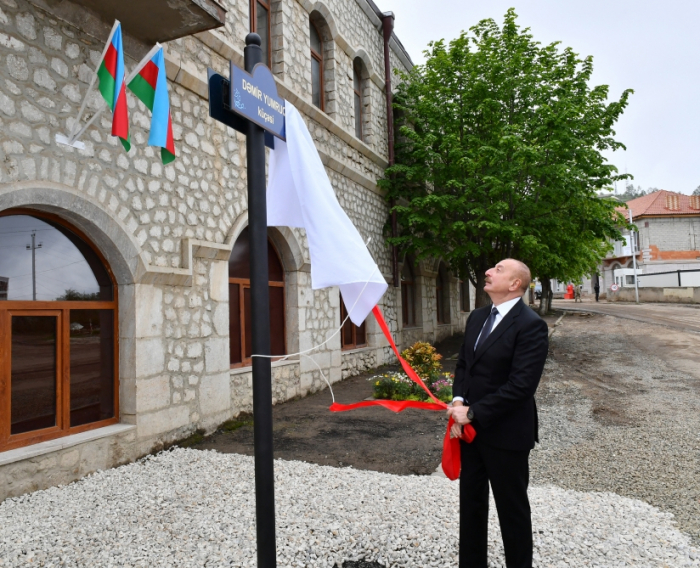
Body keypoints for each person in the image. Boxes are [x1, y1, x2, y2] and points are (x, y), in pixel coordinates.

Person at [447, 259, 548, 568]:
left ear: (515, 284)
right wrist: (459, 401)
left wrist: (473, 413)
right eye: (490, 268)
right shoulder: (477, 317)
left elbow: (521, 386)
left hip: (506, 434)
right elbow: (465, 364)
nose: (488, 272)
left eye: (498, 269)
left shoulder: (531, 325)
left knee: (512, 511)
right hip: (471, 432)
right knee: (472, 505)